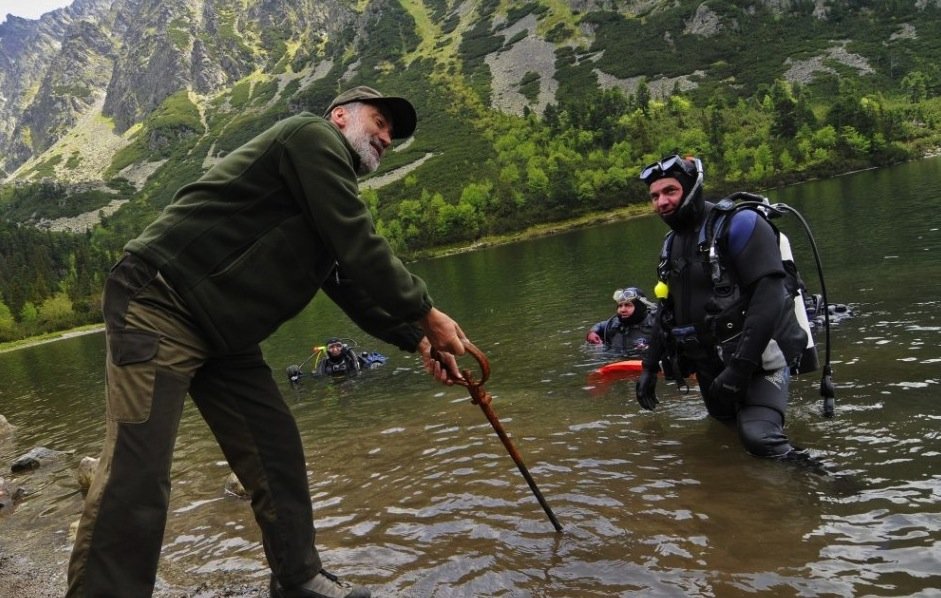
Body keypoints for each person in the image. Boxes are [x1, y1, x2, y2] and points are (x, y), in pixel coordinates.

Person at [66, 86, 469, 598]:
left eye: (393, 132)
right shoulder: (311, 137)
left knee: (275, 451)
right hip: (159, 302)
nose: (388, 137)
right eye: (380, 121)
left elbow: (350, 282)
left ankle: (298, 579)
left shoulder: (323, 189)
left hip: (225, 336)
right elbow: (359, 242)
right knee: (137, 471)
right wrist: (427, 312)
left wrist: (417, 339)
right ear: (340, 116)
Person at [634, 154, 810, 460]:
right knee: (725, 436)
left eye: (670, 191)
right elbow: (666, 309)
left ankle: (829, 479)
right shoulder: (670, 244)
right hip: (710, 366)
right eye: (654, 196)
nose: (661, 202)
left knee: (760, 439)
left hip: (758, 361)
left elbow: (769, 299)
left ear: (693, 188)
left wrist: (740, 370)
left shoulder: (742, 224)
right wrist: (649, 367)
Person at [585, 286, 657, 356]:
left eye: (628, 305)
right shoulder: (614, 324)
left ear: (639, 307)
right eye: (620, 306)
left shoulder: (656, 323)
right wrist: (592, 333)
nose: (622, 310)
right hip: (616, 360)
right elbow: (600, 326)